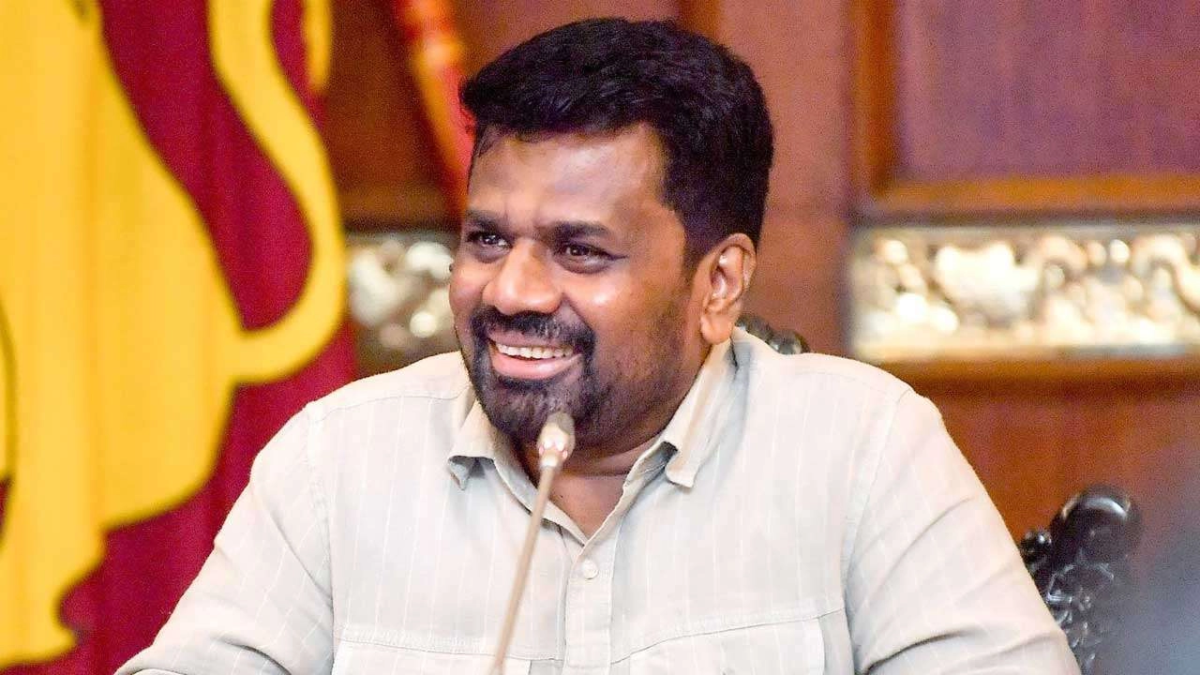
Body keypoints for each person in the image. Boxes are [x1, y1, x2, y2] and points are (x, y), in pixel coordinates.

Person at [118, 17, 1077, 675]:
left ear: (719, 284)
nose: (511, 292)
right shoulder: (336, 461)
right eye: (486, 238)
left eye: (579, 251)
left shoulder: (863, 450)